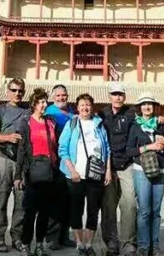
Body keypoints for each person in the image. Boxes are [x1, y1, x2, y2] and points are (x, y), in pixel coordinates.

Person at [59, 93, 112, 256]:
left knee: (93, 211)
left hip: (95, 175)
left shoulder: (99, 124)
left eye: (88, 104)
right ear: (77, 107)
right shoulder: (72, 124)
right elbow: (63, 149)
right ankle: (79, 244)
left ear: (92, 107)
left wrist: (108, 170)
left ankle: (89, 244)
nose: (85, 107)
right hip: (76, 175)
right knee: (76, 210)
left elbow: (107, 149)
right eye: (82, 104)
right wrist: (72, 170)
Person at [14, 88, 58, 256]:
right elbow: (22, 149)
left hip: (49, 170)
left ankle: (39, 244)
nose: (44, 105)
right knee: (30, 210)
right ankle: (26, 243)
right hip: (32, 170)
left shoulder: (50, 122)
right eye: (41, 102)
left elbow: (55, 147)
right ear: (34, 104)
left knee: (44, 211)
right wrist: (18, 175)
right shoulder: (27, 123)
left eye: (45, 102)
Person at [125, 92, 164, 256]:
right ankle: (143, 245)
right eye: (143, 104)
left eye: (149, 104)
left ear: (154, 106)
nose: (147, 107)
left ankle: (155, 245)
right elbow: (129, 151)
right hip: (141, 169)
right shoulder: (135, 126)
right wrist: (149, 147)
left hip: (161, 168)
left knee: (156, 211)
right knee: (144, 210)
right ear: (139, 107)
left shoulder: (160, 124)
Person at [0, 78, 29, 253]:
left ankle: (17, 237)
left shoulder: (27, 111)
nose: (17, 93)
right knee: (3, 197)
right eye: (14, 90)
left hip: (21, 161)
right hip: (5, 158)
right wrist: (8, 137)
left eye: (20, 91)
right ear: (8, 91)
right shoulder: (0, 109)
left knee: (21, 200)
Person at [99, 83, 137, 256]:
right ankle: (111, 243)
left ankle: (128, 243)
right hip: (108, 167)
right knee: (108, 206)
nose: (118, 97)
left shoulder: (131, 114)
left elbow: (146, 122)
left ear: (124, 96)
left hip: (126, 165)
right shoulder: (102, 114)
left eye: (120, 94)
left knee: (129, 205)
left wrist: (158, 122)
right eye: (114, 94)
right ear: (109, 96)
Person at [44, 84, 77, 250]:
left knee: (68, 200)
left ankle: (64, 235)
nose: (61, 98)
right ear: (53, 97)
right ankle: (52, 237)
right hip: (55, 162)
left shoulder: (72, 113)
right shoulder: (49, 113)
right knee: (55, 201)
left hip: (70, 163)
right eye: (58, 95)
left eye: (63, 95)